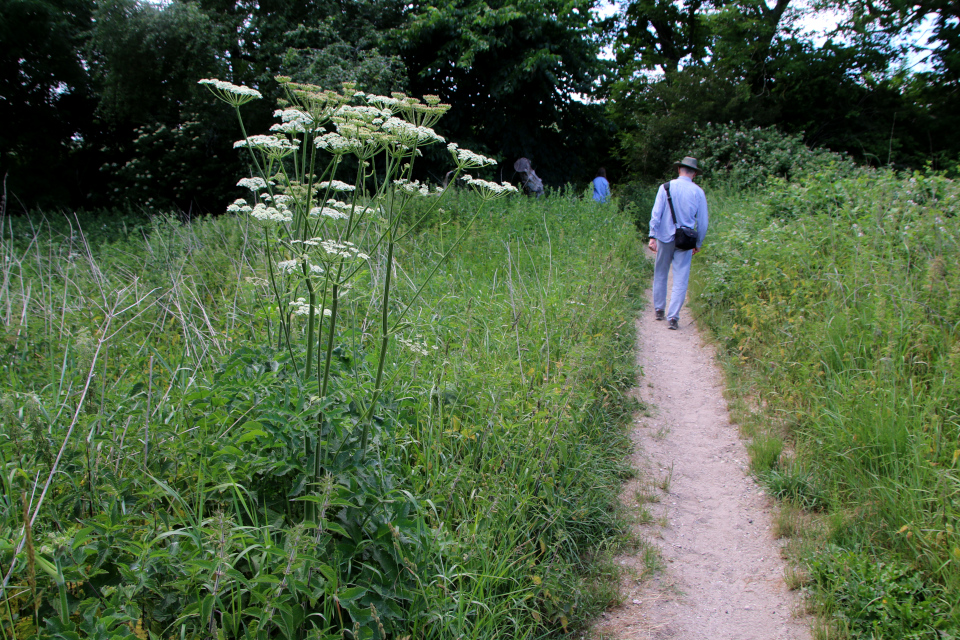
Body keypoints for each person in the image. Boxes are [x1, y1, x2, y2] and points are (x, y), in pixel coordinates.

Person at [648, 156, 709, 330]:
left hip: (664, 236)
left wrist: (653, 235)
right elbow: (703, 222)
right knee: (681, 277)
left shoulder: (665, 187)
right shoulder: (698, 192)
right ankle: (673, 317)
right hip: (685, 240)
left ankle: (659, 309)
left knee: (661, 272)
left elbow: (656, 213)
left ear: (679, 169)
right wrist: (698, 242)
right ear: (694, 174)